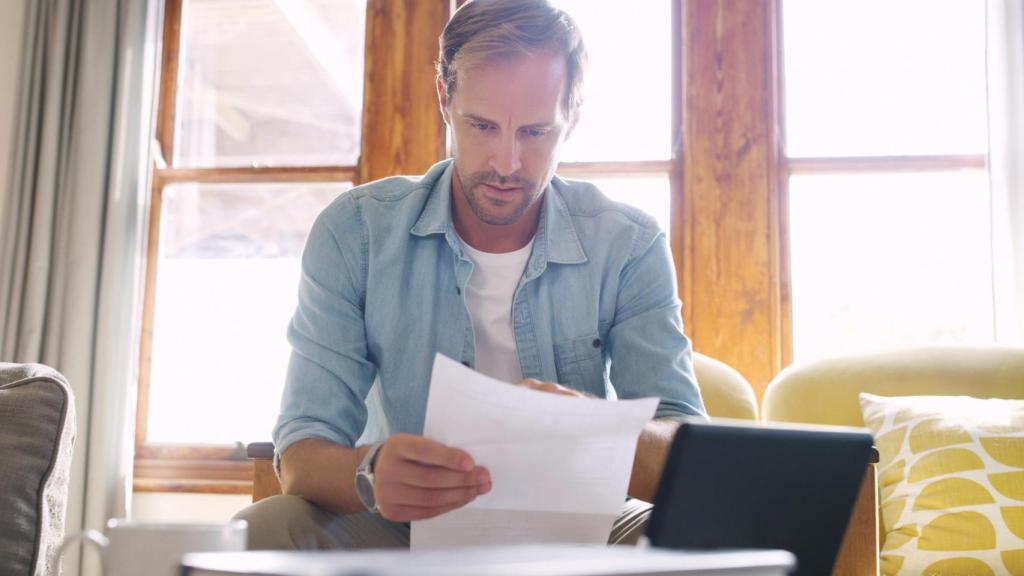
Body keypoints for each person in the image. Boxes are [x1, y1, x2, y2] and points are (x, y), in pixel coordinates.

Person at [235, 0, 706, 550]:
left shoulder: (629, 244)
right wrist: (371, 474)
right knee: (262, 530)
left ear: (571, 119)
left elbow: (684, 443)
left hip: (583, 526)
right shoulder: (356, 233)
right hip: (402, 524)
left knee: (710, 533)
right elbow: (301, 454)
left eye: (535, 132)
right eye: (482, 126)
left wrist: (593, 429)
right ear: (445, 98)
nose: (506, 162)